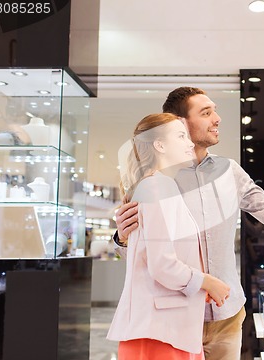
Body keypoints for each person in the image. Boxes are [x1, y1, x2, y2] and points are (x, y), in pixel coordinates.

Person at [114, 87, 264, 360]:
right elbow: (141, 256)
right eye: (206, 113)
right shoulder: (156, 179)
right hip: (173, 318)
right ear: (178, 121)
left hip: (227, 315)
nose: (217, 118)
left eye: (214, 110)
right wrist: (121, 238)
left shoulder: (230, 171)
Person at [107, 113, 230, 360]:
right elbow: (162, 264)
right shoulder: (157, 186)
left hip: (165, 328)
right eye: (181, 135)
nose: (189, 143)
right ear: (160, 145)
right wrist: (207, 281)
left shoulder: (158, 185)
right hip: (161, 333)